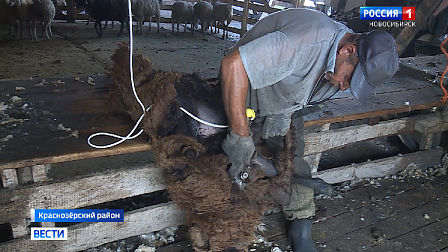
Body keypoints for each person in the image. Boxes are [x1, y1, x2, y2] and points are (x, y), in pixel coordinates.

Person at [219, 8, 399, 252]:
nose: (345, 88)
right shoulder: (303, 43)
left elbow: (306, 88)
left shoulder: (338, 58)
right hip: (243, 88)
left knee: (292, 156)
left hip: (285, 99)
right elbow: (233, 66)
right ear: (348, 51)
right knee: (225, 157)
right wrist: (240, 134)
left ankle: (301, 222)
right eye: (350, 78)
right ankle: (223, 225)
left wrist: (283, 112)